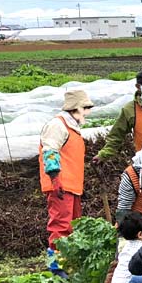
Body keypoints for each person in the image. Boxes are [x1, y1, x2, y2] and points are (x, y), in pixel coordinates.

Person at [38, 89, 94, 260]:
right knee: (61, 226)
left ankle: (69, 263)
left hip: (72, 186)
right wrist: (55, 179)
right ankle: (57, 265)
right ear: (75, 108)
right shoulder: (57, 125)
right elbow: (50, 151)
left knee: (73, 225)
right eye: (84, 108)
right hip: (60, 185)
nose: (86, 112)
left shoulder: (72, 127)